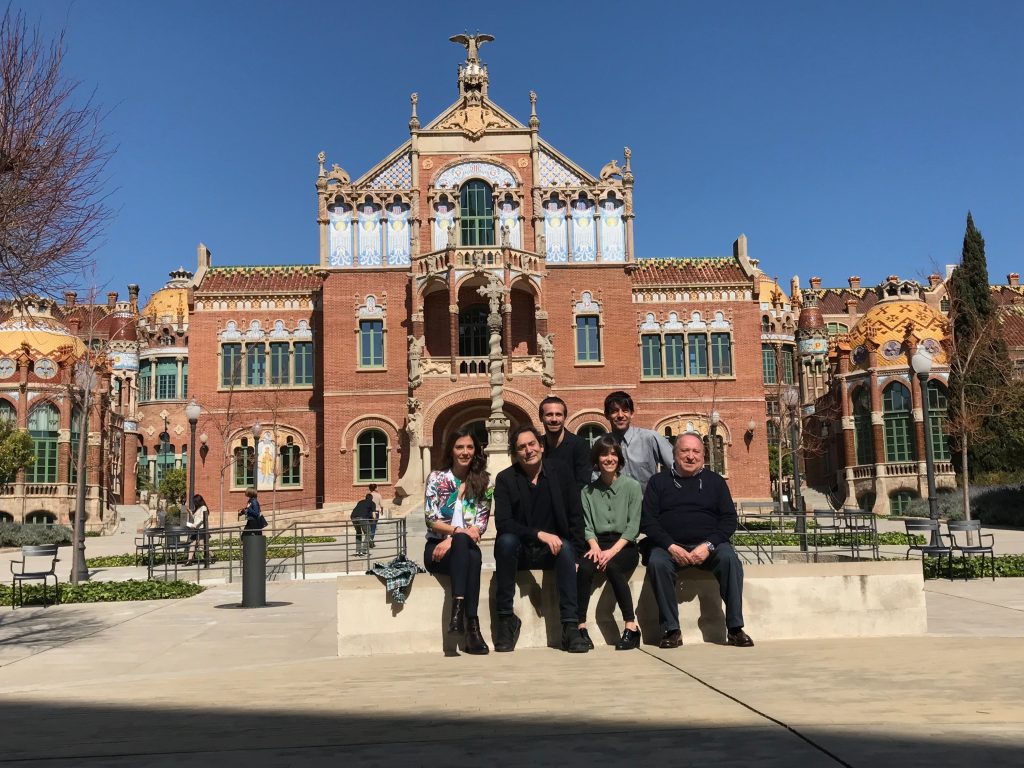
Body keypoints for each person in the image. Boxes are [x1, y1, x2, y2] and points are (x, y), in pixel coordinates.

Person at [641, 432, 754, 649]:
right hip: (670, 546)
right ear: (675, 454)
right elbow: (649, 521)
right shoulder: (658, 482)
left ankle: (735, 628)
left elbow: (729, 519)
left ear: (703, 456)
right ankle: (671, 630)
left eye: (696, 451)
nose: (690, 456)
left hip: (709, 546)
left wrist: (709, 545)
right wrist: (670, 546)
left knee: (729, 559)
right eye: (685, 451)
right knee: (657, 562)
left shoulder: (715, 482)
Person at [493, 424, 589, 653]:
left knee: (566, 547)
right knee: (505, 541)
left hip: (552, 551)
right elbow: (503, 523)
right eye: (521, 447)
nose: (528, 450)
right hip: (522, 550)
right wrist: (539, 534)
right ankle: (506, 619)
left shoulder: (561, 472)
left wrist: (576, 555)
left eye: (532, 444)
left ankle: (570, 626)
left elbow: (575, 516)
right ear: (515, 453)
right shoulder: (506, 479)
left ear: (541, 446)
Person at [423, 427, 491, 655]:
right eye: (459, 447)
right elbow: (431, 519)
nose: (465, 452)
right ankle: (472, 628)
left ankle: (457, 614)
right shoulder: (437, 478)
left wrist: (453, 538)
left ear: (476, 450)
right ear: (451, 451)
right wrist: (457, 533)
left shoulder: (484, 483)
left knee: (468, 549)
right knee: (471, 554)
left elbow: (480, 525)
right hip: (437, 549)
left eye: (470, 447)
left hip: (459, 546)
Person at [576, 436, 642, 650]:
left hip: (624, 545)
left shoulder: (632, 487)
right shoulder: (587, 492)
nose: (609, 458)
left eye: (613, 454)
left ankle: (631, 626)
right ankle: (580, 627)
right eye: (604, 454)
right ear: (597, 459)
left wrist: (610, 552)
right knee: (584, 569)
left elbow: (633, 527)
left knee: (613, 567)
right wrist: (595, 548)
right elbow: (587, 526)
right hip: (597, 544)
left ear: (619, 458)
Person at [604, 390, 674, 491]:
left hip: (647, 500)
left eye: (625, 410)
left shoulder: (650, 438)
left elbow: (676, 466)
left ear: (632, 414)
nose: (620, 415)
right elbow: (595, 477)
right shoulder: (600, 443)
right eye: (614, 411)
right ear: (606, 415)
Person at [538, 396, 592, 488]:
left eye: (558, 414)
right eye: (549, 415)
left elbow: (583, 484)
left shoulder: (579, 445)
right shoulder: (537, 445)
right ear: (541, 417)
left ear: (565, 417)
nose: (554, 419)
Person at [184, 493, 208, 565]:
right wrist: (190, 512)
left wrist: (194, 525)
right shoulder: (198, 508)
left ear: (198, 501)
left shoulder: (203, 507)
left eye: (195, 502)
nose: (194, 503)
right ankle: (189, 560)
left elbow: (201, 519)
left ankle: (212, 556)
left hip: (201, 528)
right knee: (192, 543)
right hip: (196, 528)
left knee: (202, 545)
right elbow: (195, 518)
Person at [368, 483, 385, 548]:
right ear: (375, 488)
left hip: (369, 512)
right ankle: (371, 540)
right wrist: (382, 511)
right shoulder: (378, 495)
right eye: (377, 487)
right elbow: (382, 505)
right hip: (376, 512)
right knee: (373, 526)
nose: (378, 488)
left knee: (369, 526)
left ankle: (369, 540)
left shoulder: (368, 495)